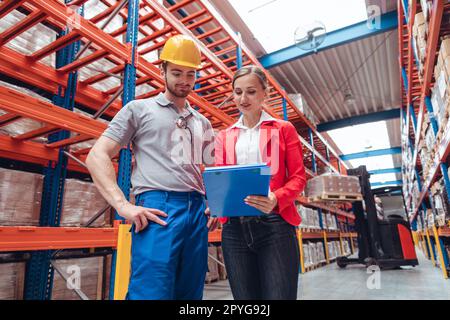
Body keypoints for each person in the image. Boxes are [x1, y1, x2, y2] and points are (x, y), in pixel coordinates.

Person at [86, 35, 218, 300]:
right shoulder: (139, 110)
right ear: (162, 70)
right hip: (159, 207)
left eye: (191, 74)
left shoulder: (202, 122)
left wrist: (217, 202)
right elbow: (97, 155)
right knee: (151, 291)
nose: (184, 80)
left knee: (190, 293)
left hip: (196, 212)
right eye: (177, 72)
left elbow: (213, 169)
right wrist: (123, 205)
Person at [214, 65, 306, 300]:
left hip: (274, 225)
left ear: (265, 93)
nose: (243, 99)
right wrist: (216, 200)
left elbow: (298, 177)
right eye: (237, 92)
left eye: (251, 91)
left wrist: (276, 198)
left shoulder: (283, 129)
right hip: (234, 229)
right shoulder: (225, 136)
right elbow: (222, 179)